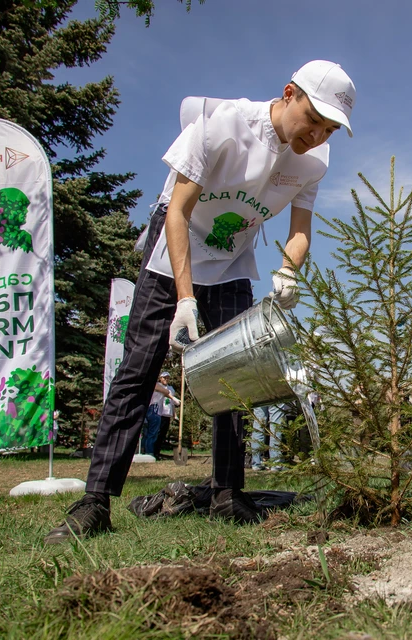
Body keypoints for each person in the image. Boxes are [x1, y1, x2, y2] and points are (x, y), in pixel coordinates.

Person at [44, 60, 356, 543]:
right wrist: (185, 299)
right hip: (175, 250)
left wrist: (288, 271)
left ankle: (228, 492)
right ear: (289, 93)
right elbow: (177, 211)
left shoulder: (314, 161)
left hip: (232, 262)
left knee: (237, 375)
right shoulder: (222, 126)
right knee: (140, 368)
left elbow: (299, 232)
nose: (317, 135)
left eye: (329, 129)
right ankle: (95, 501)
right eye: (313, 120)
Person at [250, 404, 284, 471]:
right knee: (276, 424)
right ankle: (276, 463)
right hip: (276, 394)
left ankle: (256, 463)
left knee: (258, 424)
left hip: (258, 395)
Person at [154, 372, 180, 457]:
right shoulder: (158, 385)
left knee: (162, 434)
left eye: (168, 378)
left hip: (167, 414)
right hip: (159, 413)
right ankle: (153, 451)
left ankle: (157, 451)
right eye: (164, 378)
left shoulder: (171, 388)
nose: (166, 379)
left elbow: (172, 402)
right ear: (160, 378)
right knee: (157, 433)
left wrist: (174, 414)